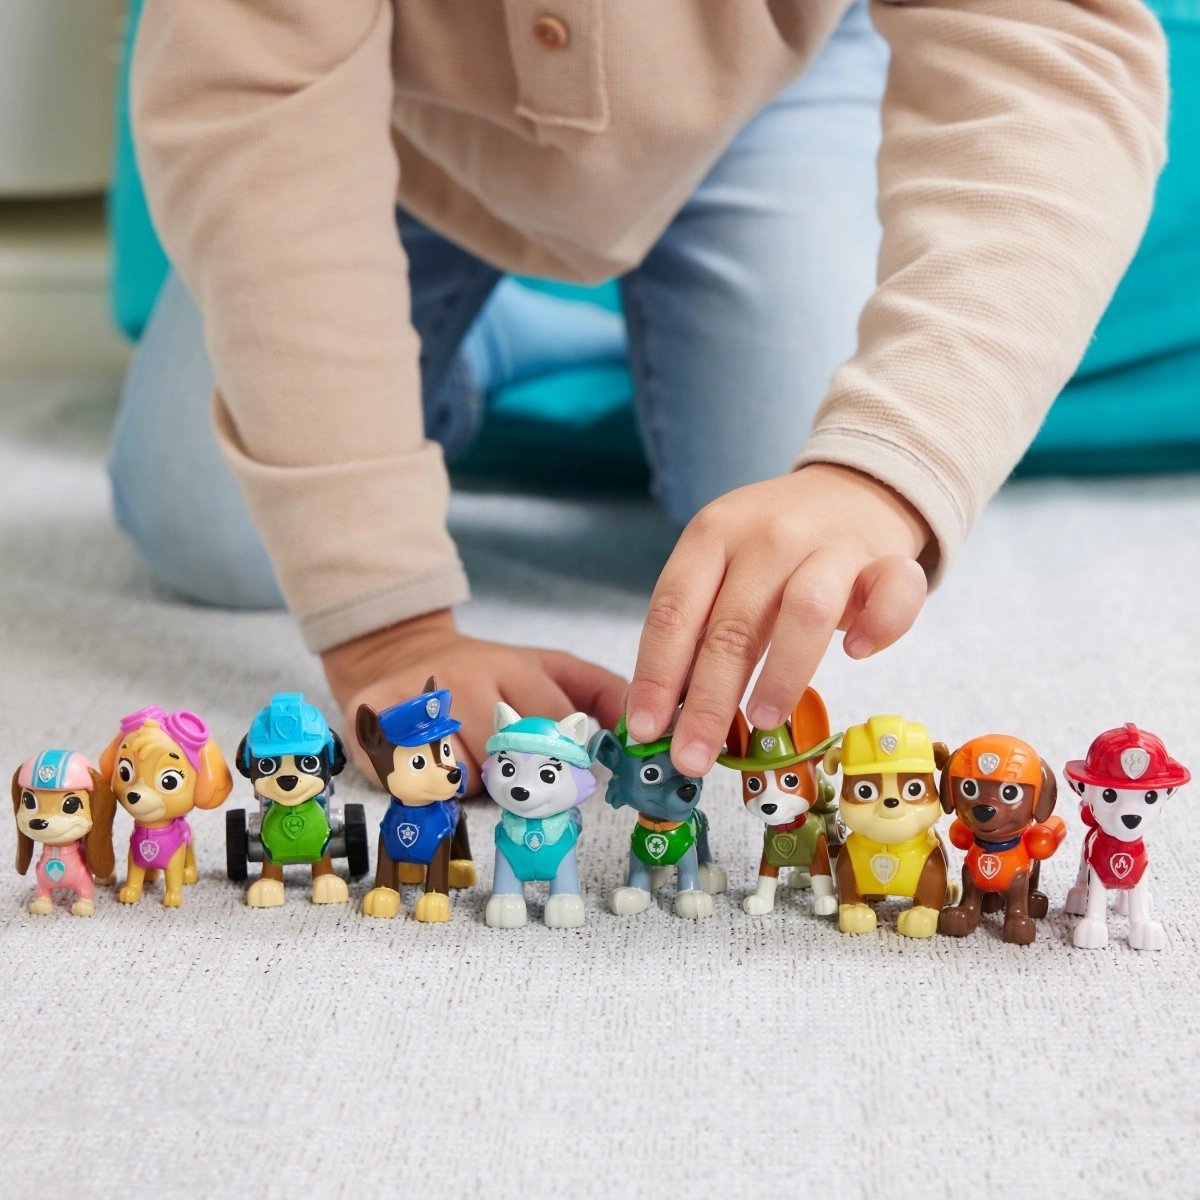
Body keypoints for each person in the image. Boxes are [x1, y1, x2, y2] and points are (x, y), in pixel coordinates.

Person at [113, 0, 1167, 781]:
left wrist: (879, 468)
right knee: (211, 526)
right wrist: (389, 631)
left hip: (766, 85)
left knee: (798, 523)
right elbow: (250, 108)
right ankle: (482, 347)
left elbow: (1053, 49)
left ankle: (610, 337)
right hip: (377, 116)